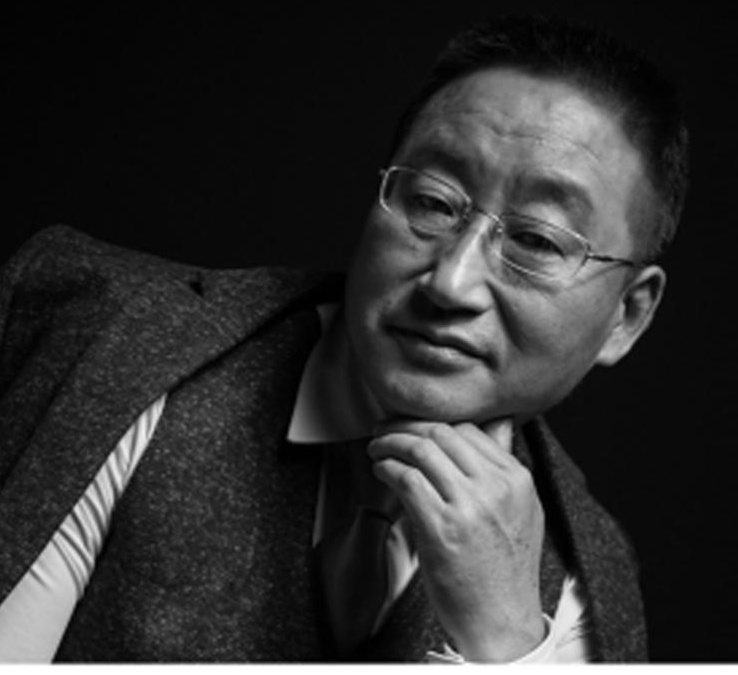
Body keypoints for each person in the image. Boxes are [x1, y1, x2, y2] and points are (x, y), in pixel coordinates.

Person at [0, 13, 688, 663]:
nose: (451, 282)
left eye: (536, 240)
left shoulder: (588, 582)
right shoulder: (130, 349)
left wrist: (506, 642)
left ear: (626, 315)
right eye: (432, 201)